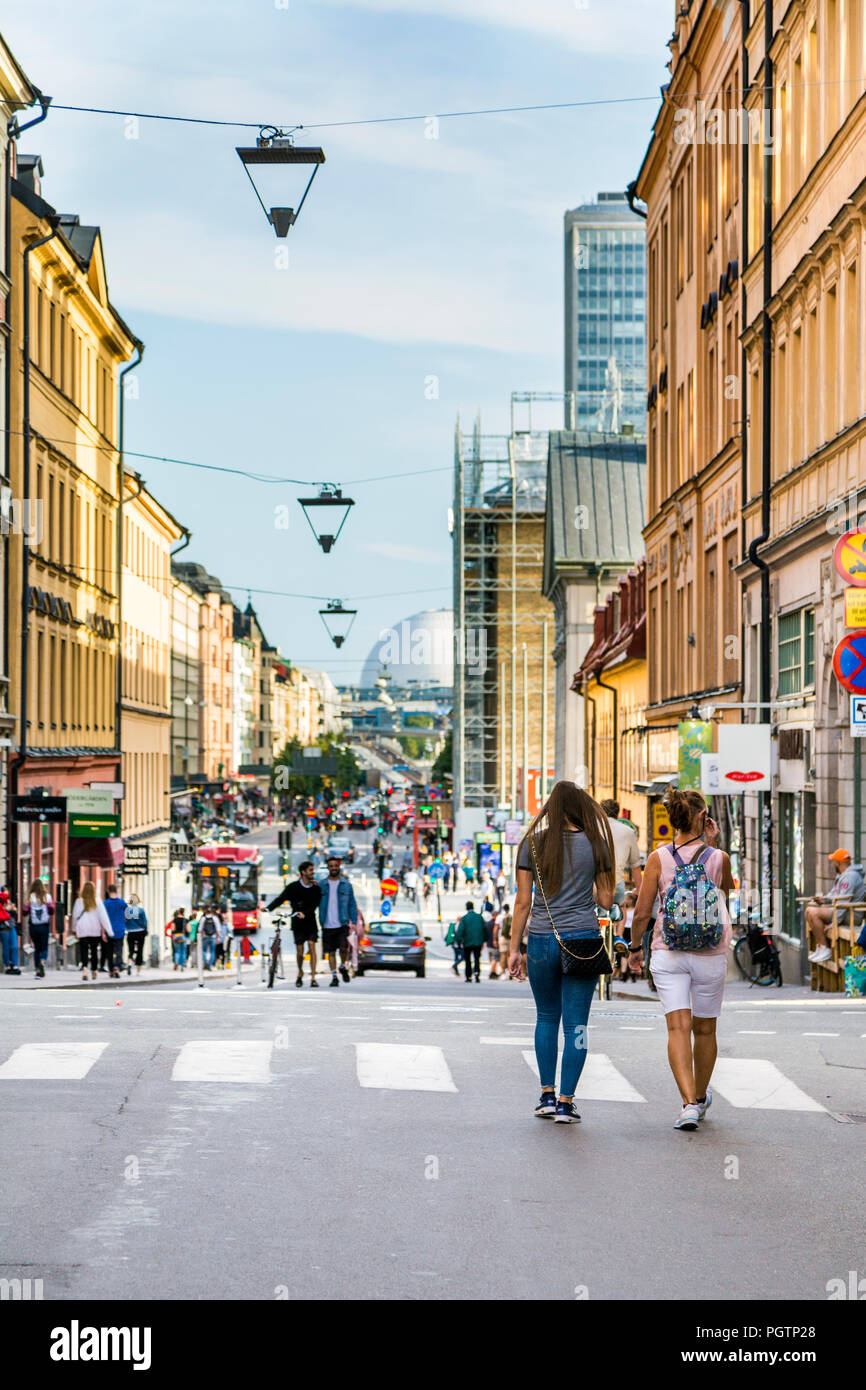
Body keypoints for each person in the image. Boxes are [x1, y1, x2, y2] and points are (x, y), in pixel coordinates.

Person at [627, 786, 734, 1132]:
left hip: (668, 952)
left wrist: (634, 949)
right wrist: (713, 846)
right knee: (706, 1029)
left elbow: (643, 912)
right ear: (703, 818)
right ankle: (700, 1099)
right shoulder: (720, 859)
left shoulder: (658, 858)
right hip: (709, 954)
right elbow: (724, 898)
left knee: (677, 1028)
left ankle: (688, 1103)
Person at [510, 782, 615, 1123]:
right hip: (582, 940)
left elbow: (523, 902)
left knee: (545, 1018)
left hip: (541, 939)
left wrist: (514, 949)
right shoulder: (596, 844)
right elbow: (605, 900)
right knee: (577, 1026)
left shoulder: (532, 844)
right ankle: (567, 1103)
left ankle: (546, 1095)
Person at [805, 849, 866, 963]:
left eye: (833, 861)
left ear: (838, 863)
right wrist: (824, 900)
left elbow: (844, 902)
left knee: (813, 912)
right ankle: (820, 946)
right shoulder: (843, 876)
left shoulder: (850, 877)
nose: (833, 864)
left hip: (850, 915)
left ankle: (825, 948)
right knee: (809, 911)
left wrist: (835, 922)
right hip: (842, 911)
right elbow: (835, 894)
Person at [267, 861, 322, 987]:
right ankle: (300, 972)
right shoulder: (293, 887)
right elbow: (281, 898)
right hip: (297, 923)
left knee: (312, 946)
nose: (312, 873)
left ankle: (313, 976)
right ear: (303, 872)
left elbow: (315, 904)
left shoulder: (316, 888)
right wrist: (269, 908)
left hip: (310, 921)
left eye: (312, 870)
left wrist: (305, 913)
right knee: (300, 951)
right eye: (310, 870)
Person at [318, 855, 358, 986]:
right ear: (328, 868)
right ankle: (334, 976)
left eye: (336, 865)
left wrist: (354, 922)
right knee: (330, 952)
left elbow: (352, 904)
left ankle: (342, 966)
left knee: (343, 948)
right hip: (326, 923)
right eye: (331, 866)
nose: (334, 868)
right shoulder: (321, 885)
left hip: (342, 922)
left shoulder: (346, 885)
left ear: (339, 866)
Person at [600, 798, 643, 906]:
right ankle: (619, 923)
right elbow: (635, 866)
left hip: (595, 885)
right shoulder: (628, 831)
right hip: (616, 882)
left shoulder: (592, 828)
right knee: (620, 908)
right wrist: (639, 890)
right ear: (617, 813)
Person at [71, 882, 111, 981]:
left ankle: (85, 970)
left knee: (83, 950)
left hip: (82, 929)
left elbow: (75, 916)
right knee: (94, 951)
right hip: (94, 929)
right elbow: (103, 917)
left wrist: (74, 929)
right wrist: (109, 931)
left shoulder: (79, 901)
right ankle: (94, 970)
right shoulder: (97, 901)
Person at [23, 879, 54, 978]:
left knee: (37, 948)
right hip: (44, 925)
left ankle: (37, 970)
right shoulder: (47, 897)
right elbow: (52, 910)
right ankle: (42, 961)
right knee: (44, 947)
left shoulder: (30, 897)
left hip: (33, 926)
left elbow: (25, 911)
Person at [455, 901, 485, 983]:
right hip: (478, 942)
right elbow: (484, 929)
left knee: (468, 960)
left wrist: (459, 941)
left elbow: (460, 931)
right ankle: (476, 973)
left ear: (466, 908)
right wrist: (483, 940)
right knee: (477, 959)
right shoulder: (479, 917)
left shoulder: (464, 918)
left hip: (467, 942)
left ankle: (468, 976)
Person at [103, 884, 128, 979]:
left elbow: (102, 918)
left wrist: (103, 932)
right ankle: (117, 967)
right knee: (118, 949)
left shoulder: (105, 903)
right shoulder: (122, 903)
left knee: (109, 951)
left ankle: (111, 969)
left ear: (108, 891)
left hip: (109, 930)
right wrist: (124, 921)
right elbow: (129, 915)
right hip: (120, 929)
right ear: (116, 891)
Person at [124, 894, 148, 973]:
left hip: (131, 932)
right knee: (140, 950)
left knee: (131, 950)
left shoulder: (128, 911)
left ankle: (130, 963)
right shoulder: (141, 910)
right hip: (140, 932)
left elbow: (125, 921)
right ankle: (138, 969)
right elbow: (144, 922)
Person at [0, 891, 21, 974]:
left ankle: (15, 966)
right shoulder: (2, 905)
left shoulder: (10, 904)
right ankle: (8, 966)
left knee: (14, 946)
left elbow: (15, 915)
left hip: (12, 926)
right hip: (3, 928)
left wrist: (12, 909)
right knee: (6, 947)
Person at [198, 902, 220, 970]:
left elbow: (200, 929)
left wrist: (199, 937)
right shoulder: (215, 918)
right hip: (213, 937)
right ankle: (210, 965)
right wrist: (218, 937)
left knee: (204, 951)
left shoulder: (203, 919)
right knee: (212, 951)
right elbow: (218, 929)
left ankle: (206, 963)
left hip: (205, 937)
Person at [498, 902, 512, 979]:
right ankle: (510, 972)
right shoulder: (511, 917)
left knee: (503, 955)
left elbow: (496, 928)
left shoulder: (500, 917)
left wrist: (495, 939)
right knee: (509, 956)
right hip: (510, 938)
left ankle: (503, 972)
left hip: (502, 937)